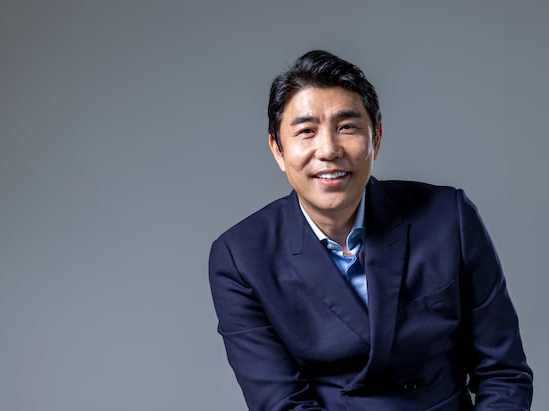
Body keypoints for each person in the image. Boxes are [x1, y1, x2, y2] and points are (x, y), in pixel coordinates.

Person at [208, 50, 533, 411]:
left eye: (346, 127)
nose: (328, 150)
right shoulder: (241, 257)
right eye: (306, 131)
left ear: (376, 137)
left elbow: (503, 373)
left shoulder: (447, 217)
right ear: (278, 150)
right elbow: (282, 403)